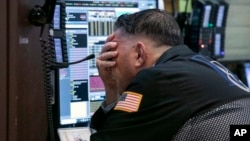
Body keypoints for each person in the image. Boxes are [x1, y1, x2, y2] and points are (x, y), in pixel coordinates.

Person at [90, 9, 250, 141]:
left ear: (139, 53)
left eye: (113, 54)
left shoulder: (156, 79)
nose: (112, 63)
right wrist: (112, 87)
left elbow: (106, 136)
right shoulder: (204, 65)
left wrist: (112, 88)